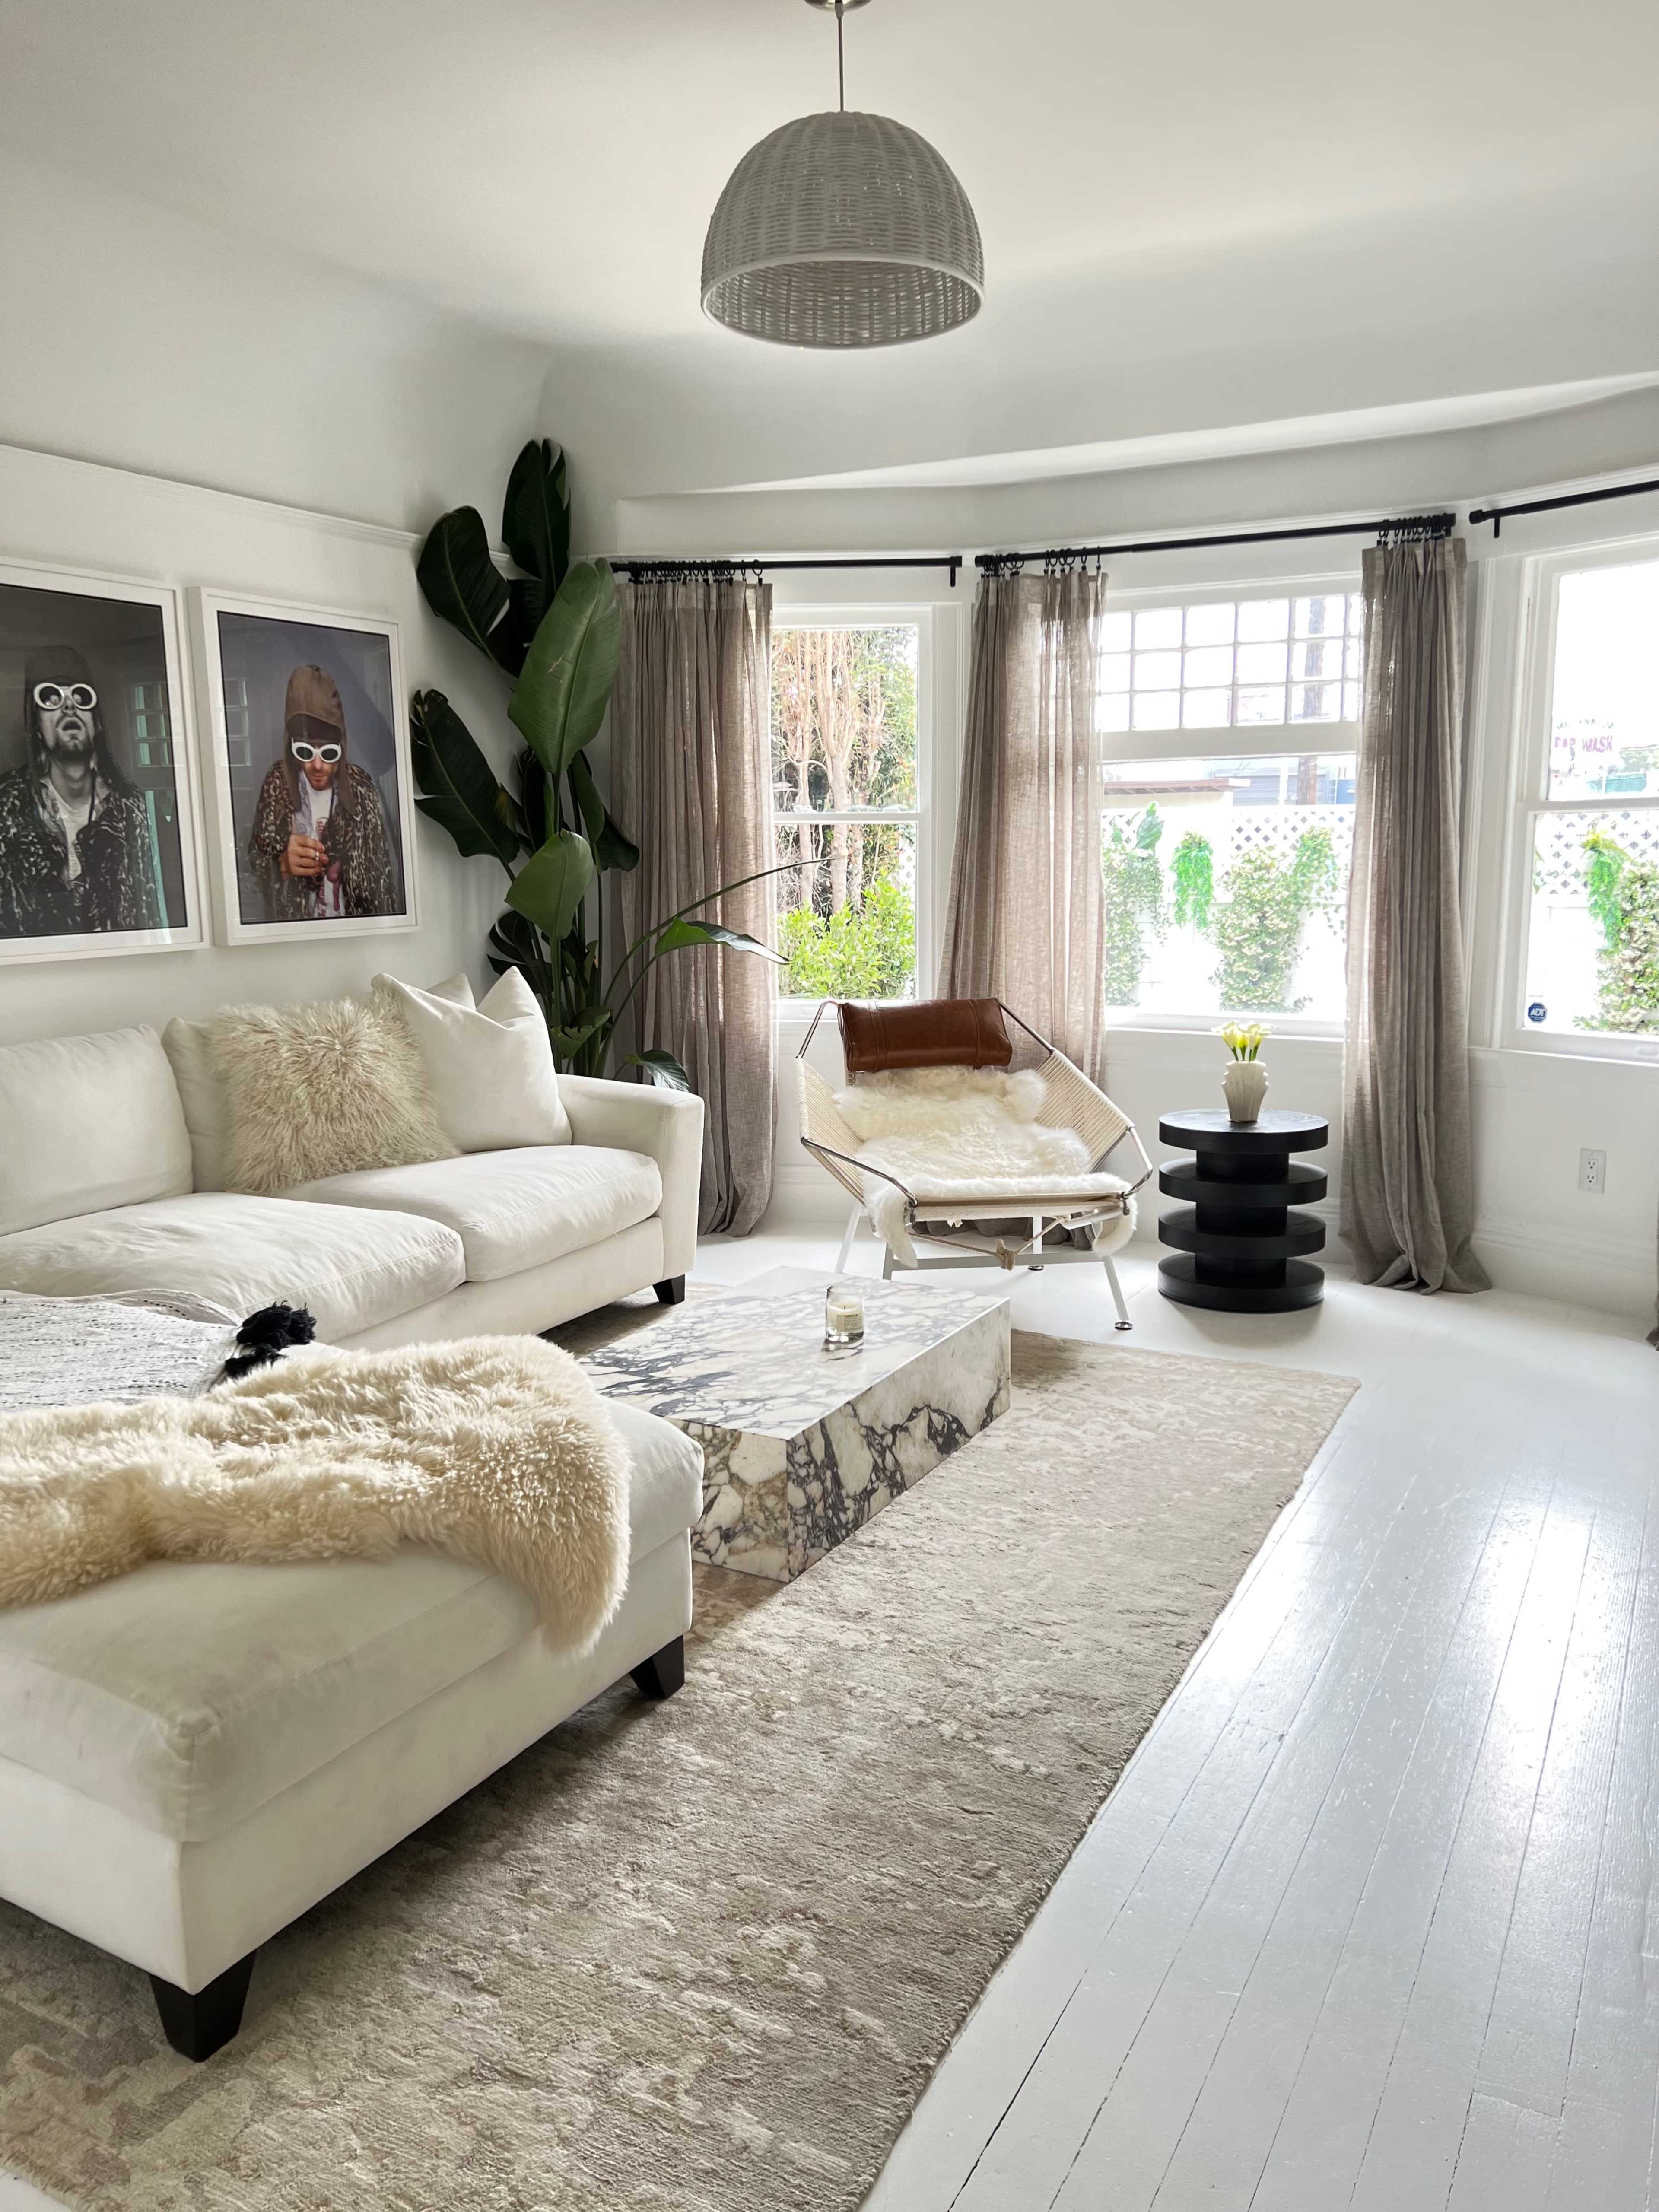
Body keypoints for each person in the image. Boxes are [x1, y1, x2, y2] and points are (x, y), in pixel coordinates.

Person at [0, 645, 162, 938]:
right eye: (50, 699)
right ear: (36, 725)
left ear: (97, 722)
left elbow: (150, 911)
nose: (69, 708)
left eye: (81, 697)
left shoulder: (131, 805)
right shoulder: (6, 806)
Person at [247, 664, 398, 923]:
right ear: (291, 746)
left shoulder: (361, 789)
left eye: (329, 753)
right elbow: (256, 861)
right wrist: (282, 865)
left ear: (342, 747)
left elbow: (382, 881)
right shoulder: (277, 783)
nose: (317, 765)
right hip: (297, 940)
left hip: (354, 938)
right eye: (305, 751)